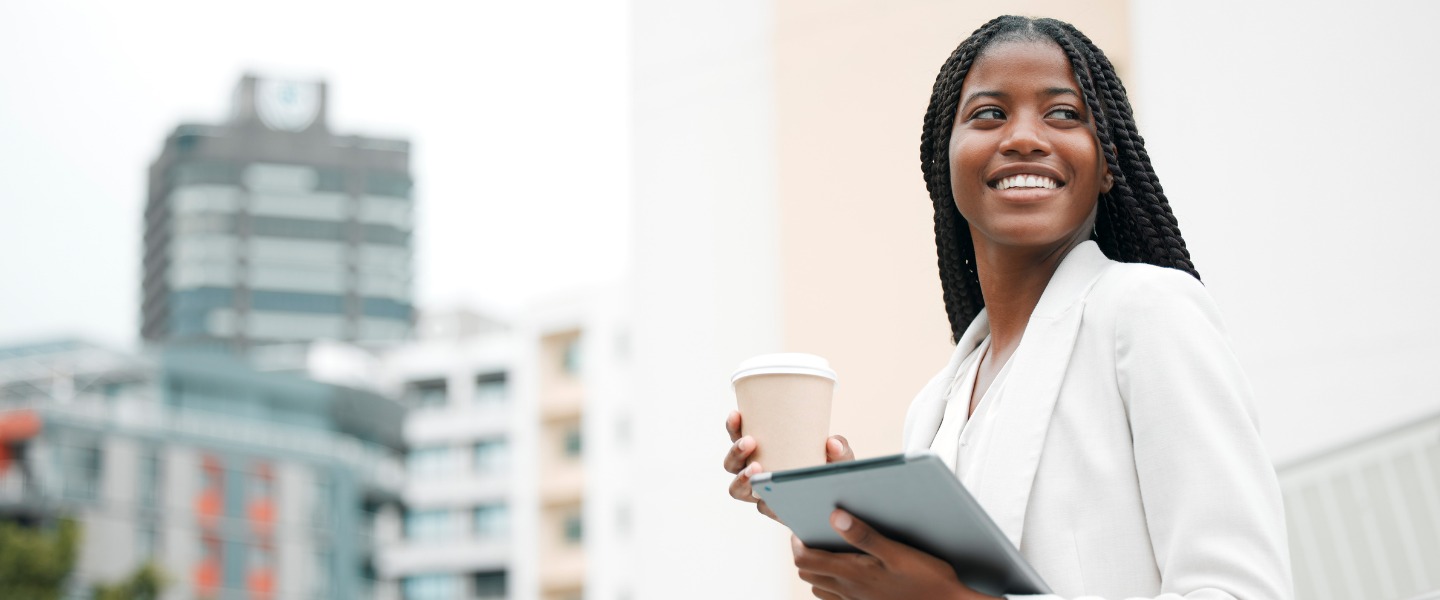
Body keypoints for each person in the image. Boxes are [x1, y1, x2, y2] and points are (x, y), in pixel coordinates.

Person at [722, 15, 1293, 600]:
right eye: (989, 114)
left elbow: (1240, 591)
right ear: (943, 161)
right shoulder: (936, 408)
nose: (1024, 137)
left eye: (1064, 113)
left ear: (1108, 163)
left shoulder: (1147, 314)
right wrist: (841, 528)